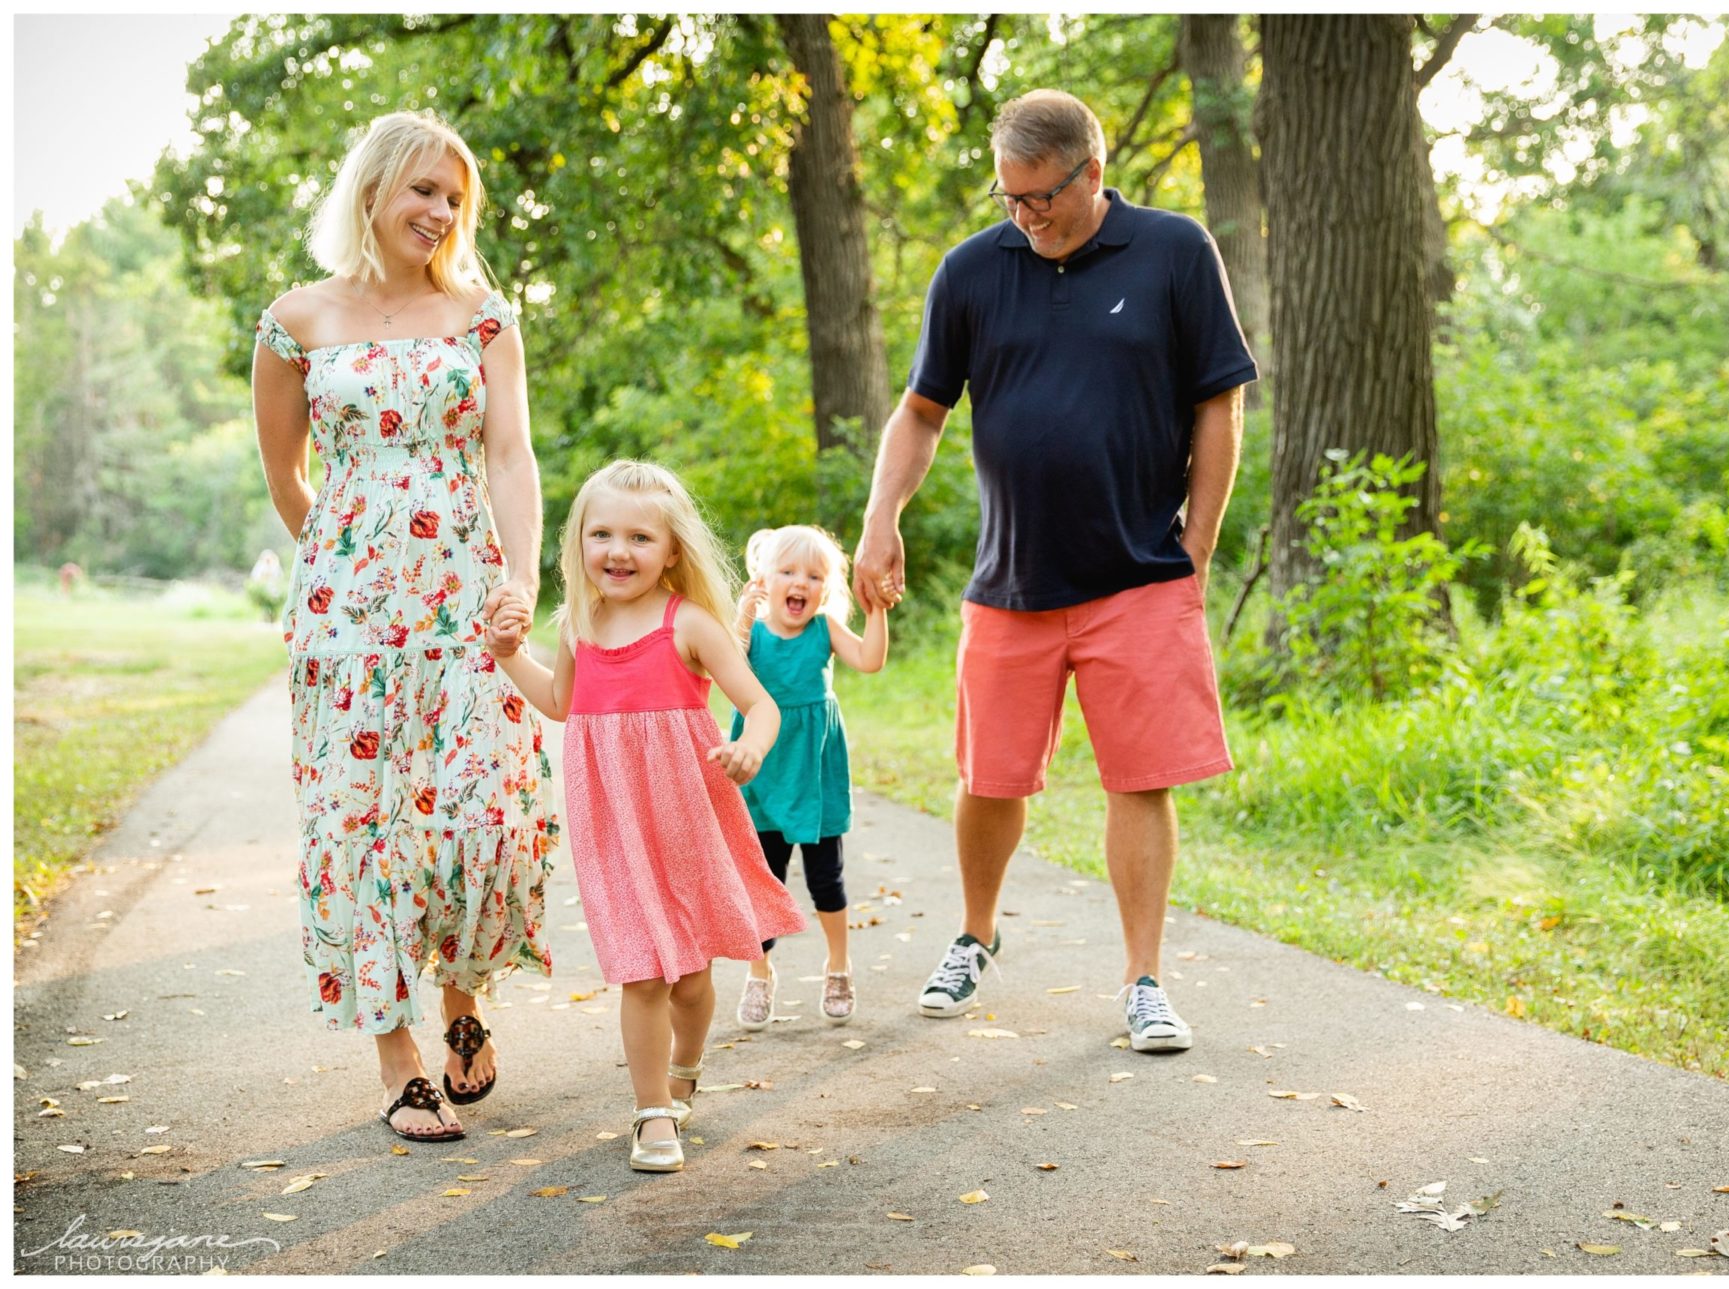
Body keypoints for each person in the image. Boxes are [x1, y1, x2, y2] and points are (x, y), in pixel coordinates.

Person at [852, 89, 1257, 1054]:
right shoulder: (971, 271)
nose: (1025, 216)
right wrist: (881, 521)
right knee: (989, 778)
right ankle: (975, 932)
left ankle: (1144, 979)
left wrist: (1195, 546)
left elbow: (1219, 406)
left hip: (1140, 577)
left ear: (1093, 171)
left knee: (1141, 779)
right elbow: (921, 412)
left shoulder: (1174, 252)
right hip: (1013, 582)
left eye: (1040, 197)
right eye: (1009, 199)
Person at [252, 110, 554, 1144]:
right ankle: (398, 1054)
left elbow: (511, 458)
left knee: (477, 804)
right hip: (346, 621)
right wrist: (345, 561)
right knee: (360, 819)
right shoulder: (295, 321)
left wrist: (518, 575)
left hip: (466, 601)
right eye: (424, 190)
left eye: (454, 198)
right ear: (373, 188)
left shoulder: (482, 317)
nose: (440, 212)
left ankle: (465, 993)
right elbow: (288, 478)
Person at [484, 460, 806, 1172]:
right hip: (613, 826)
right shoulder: (577, 623)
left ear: (671, 550)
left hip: (687, 819)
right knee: (643, 971)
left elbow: (761, 703)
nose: (618, 550)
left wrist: (750, 745)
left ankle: (686, 1063)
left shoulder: (686, 622)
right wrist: (510, 655)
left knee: (690, 978)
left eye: (638, 536)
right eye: (602, 533)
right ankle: (652, 1110)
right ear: (580, 542)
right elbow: (562, 703)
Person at [728, 525, 890, 1031]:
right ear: (764, 579)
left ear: (826, 588)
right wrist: (741, 613)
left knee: (827, 880)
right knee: (765, 881)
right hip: (765, 772)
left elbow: (869, 660)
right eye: (788, 572)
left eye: (815, 576)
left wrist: (878, 610)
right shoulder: (751, 633)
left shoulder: (823, 629)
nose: (801, 582)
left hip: (814, 775)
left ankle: (838, 967)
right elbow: (726, 667)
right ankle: (760, 974)